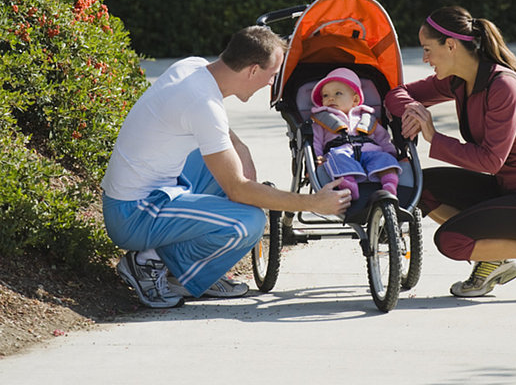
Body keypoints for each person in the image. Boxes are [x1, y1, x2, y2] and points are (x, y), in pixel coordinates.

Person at [102, 26, 351, 309]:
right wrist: (313, 202)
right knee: (248, 222)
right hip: (133, 215)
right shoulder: (204, 104)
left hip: (142, 194)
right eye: (271, 75)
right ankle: (149, 264)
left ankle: (195, 270)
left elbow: (210, 127)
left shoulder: (196, 68)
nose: (271, 84)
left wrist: (240, 147)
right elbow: (238, 190)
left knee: (226, 162)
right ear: (252, 71)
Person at [384, 6, 516, 301]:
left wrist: (433, 137)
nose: (424, 58)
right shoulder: (458, 80)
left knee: (451, 241)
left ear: (450, 45)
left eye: (427, 49)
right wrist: (413, 110)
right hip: (504, 191)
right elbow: (395, 94)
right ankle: (496, 257)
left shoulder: (503, 85)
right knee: (420, 188)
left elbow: (490, 160)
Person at [311, 68, 403, 201]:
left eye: (338, 93)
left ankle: (389, 184)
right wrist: (318, 157)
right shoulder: (322, 120)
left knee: (385, 159)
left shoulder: (367, 117)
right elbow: (316, 141)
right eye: (325, 95)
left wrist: (392, 153)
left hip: (371, 151)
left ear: (355, 100)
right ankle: (349, 186)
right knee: (336, 158)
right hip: (341, 152)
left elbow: (383, 138)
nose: (330, 98)